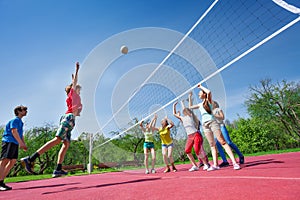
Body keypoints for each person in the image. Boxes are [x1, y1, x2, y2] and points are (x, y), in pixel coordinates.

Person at [21, 62, 82, 178]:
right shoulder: (72, 95)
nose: (79, 90)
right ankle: (31, 159)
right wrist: (77, 70)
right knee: (57, 140)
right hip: (68, 119)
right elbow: (74, 84)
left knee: (66, 144)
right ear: (72, 90)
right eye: (77, 88)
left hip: (71, 121)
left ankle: (58, 169)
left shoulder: (76, 99)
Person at [189, 84, 240, 171]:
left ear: (204, 94)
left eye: (200, 93)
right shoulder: (200, 104)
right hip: (205, 125)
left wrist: (200, 86)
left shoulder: (209, 101)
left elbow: (209, 92)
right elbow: (190, 107)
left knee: (222, 142)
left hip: (212, 122)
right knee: (212, 145)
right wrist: (190, 98)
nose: (198, 94)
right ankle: (216, 165)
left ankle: (234, 163)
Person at [173, 102, 210, 171]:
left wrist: (182, 103)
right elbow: (174, 114)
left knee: (197, 150)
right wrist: (174, 106)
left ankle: (206, 164)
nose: (184, 111)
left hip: (196, 134)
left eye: (186, 111)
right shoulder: (182, 118)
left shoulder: (190, 116)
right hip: (189, 136)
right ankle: (194, 166)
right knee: (187, 150)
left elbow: (185, 109)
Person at [0, 106, 28, 191]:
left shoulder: (20, 122)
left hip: (15, 143)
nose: (26, 111)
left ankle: (1, 181)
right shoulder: (15, 120)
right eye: (24, 110)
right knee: (5, 160)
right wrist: (20, 143)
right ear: (19, 111)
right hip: (9, 141)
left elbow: (20, 134)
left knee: (13, 161)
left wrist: (23, 144)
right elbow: (14, 131)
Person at [212, 101, 244, 166]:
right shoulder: (210, 112)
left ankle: (241, 155)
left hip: (221, 127)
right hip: (216, 129)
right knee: (218, 145)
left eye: (212, 102)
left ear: (215, 104)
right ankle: (225, 161)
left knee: (228, 142)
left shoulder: (218, 109)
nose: (211, 103)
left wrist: (214, 115)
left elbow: (222, 117)